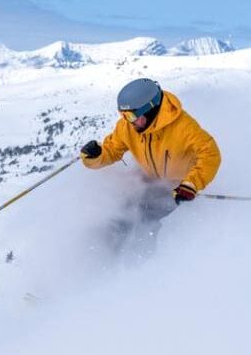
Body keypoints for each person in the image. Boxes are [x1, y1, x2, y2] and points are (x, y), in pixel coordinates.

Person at [79, 78, 221, 260]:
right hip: (148, 182)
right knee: (120, 215)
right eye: (123, 115)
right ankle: (100, 258)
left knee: (147, 223)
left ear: (150, 109)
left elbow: (210, 154)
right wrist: (96, 156)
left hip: (176, 189)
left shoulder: (184, 127)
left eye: (131, 116)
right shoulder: (128, 127)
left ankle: (142, 268)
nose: (127, 122)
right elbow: (112, 150)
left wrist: (191, 184)